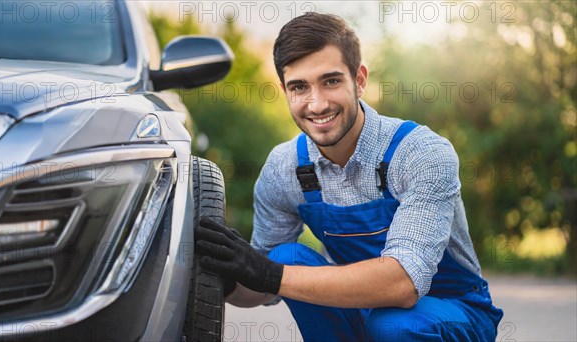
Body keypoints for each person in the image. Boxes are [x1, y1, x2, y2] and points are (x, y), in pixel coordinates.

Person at [195, 12, 504, 341]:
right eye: (299, 87)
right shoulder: (284, 169)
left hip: (453, 310)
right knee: (285, 257)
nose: (316, 104)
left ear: (359, 80)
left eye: (330, 81)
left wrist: (267, 272)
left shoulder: (421, 153)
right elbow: (264, 287)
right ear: (285, 91)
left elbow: (403, 285)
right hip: (363, 310)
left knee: (394, 325)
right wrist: (227, 274)